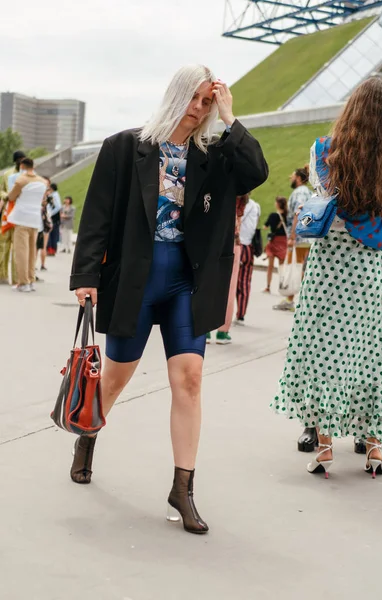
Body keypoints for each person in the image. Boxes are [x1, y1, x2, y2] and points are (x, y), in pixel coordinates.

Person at [69, 65, 268, 534]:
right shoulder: (125, 146)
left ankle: (183, 489)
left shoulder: (215, 154)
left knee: (191, 380)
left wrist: (230, 116)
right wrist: (85, 274)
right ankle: (88, 438)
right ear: (176, 96)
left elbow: (256, 171)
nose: (199, 109)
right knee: (115, 380)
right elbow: (97, 212)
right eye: (195, 99)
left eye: (207, 101)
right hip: (136, 279)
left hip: (186, 281)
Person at [271, 78, 382, 479]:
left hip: (328, 270)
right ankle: (375, 448)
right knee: (366, 358)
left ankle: (326, 447)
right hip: (368, 273)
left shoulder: (324, 152)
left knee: (324, 356)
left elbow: (323, 198)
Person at [274, 167, 312, 311]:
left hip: (300, 238)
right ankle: (297, 299)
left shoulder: (299, 193)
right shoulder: (308, 192)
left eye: (293, 176)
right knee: (301, 267)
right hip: (306, 237)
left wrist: (292, 236)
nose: (290, 178)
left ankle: (294, 299)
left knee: (296, 267)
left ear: (298, 178)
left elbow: (298, 213)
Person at [7, 158, 47, 292]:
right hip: (35, 220)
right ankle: (30, 280)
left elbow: (11, 196)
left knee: (21, 252)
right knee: (31, 252)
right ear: (33, 166)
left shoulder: (21, 180)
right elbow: (43, 200)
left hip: (22, 219)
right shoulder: (42, 182)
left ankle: (23, 282)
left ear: (22, 165)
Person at [213, 194, 248, 344]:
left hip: (213, 242)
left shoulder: (220, 190)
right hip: (233, 244)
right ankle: (223, 331)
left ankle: (204, 330)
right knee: (229, 289)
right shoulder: (242, 199)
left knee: (208, 286)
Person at [235, 194, 261, 325]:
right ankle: (241, 314)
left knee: (231, 283)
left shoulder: (238, 206)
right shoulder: (256, 206)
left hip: (238, 245)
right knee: (245, 282)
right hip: (249, 247)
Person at [0, 150, 25, 284]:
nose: (21, 161)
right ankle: (2, 275)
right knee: (3, 245)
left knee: (18, 248)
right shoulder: (7, 174)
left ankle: (17, 278)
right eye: (19, 159)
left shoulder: (26, 175)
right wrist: (5, 196)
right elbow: (1, 189)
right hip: (7, 213)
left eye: (23, 159)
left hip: (20, 214)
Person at [263, 197, 288, 292]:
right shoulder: (287, 216)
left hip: (274, 241)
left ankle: (268, 286)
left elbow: (265, 227)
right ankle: (281, 285)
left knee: (270, 266)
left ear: (277, 204)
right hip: (283, 242)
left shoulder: (273, 215)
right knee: (281, 266)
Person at [37, 195, 53, 271]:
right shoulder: (48, 208)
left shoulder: (39, 208)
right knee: (43, 247)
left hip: (39, 229)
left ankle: (34, 265)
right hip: (45, 229)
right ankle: (42, 265)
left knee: (36, 249)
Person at [47, 182, 61, 255]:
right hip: (53, 217)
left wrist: (50, 214)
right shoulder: (53, 195)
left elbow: (58, 206)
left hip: (54, 218)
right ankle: (51, 249)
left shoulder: (54, 195)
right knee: (52, 234)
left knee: (53, 234)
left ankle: (52, 250)